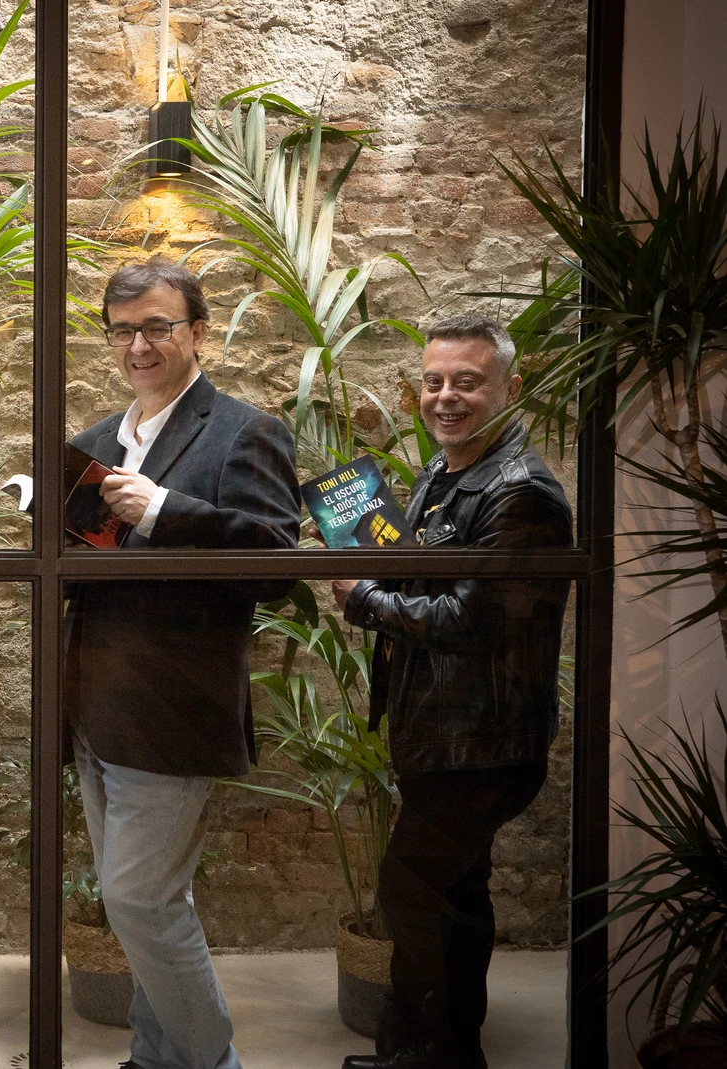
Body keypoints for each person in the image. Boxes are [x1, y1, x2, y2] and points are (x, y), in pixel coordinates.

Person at [63, 257, 300, 1069]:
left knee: (138, 900)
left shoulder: (245, 431)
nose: (139, 345)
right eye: (123, 329)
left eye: (158, 326)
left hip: (173, 708)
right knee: (152, 900)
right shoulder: (95, 443)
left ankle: (211, 1060)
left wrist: (165, 510)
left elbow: (277, 556)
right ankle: (154, 1057)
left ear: (198, 332)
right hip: (95, 706)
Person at [332, 317, 572, 1069]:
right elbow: (426, 571)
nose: (445, 397)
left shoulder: (521, 492)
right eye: (434, 381)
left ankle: (424, 1054)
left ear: (510, 387)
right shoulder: (444, 472)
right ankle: (439, 1047)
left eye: (467, 381)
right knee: (457, 896)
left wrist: (363, 596)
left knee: (410, 894)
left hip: (483, 744)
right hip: (443, 734)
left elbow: (475, 619)